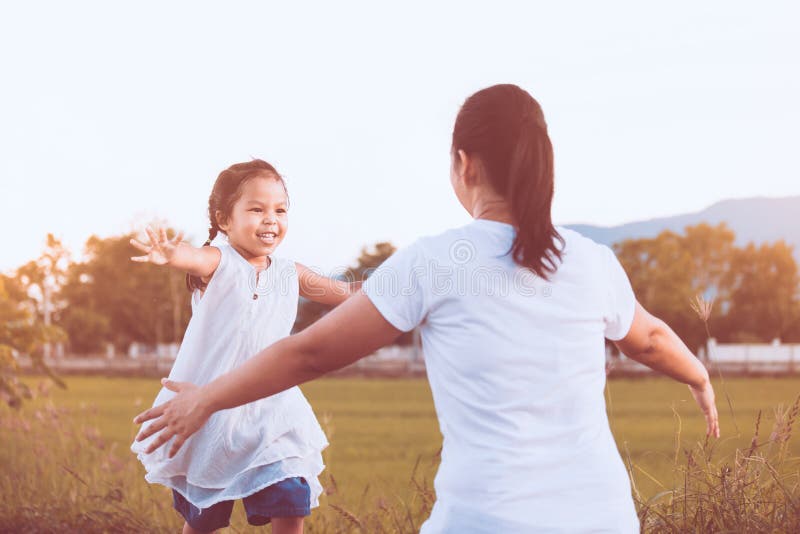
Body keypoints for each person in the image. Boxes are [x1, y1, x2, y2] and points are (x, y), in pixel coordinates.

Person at [134, 85, 720, 533]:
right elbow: (650, 339)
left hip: (485, 518)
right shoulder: (591, 261)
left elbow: (310, 351)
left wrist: (206, 397)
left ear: (464, 165)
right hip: (604, 517)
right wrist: (699, 376)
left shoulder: (439, 261)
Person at [130, 159, 360, 534]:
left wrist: (408, 293)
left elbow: (348, 295)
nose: (271, 219)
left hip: (272, 410)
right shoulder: (220, 263)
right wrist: (172, 255)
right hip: (210, 408)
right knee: (204, 518)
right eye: (256, 209)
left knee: (291, 496)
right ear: (224, 220)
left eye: (280, 210)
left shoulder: (290, 272)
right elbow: (194, 256)